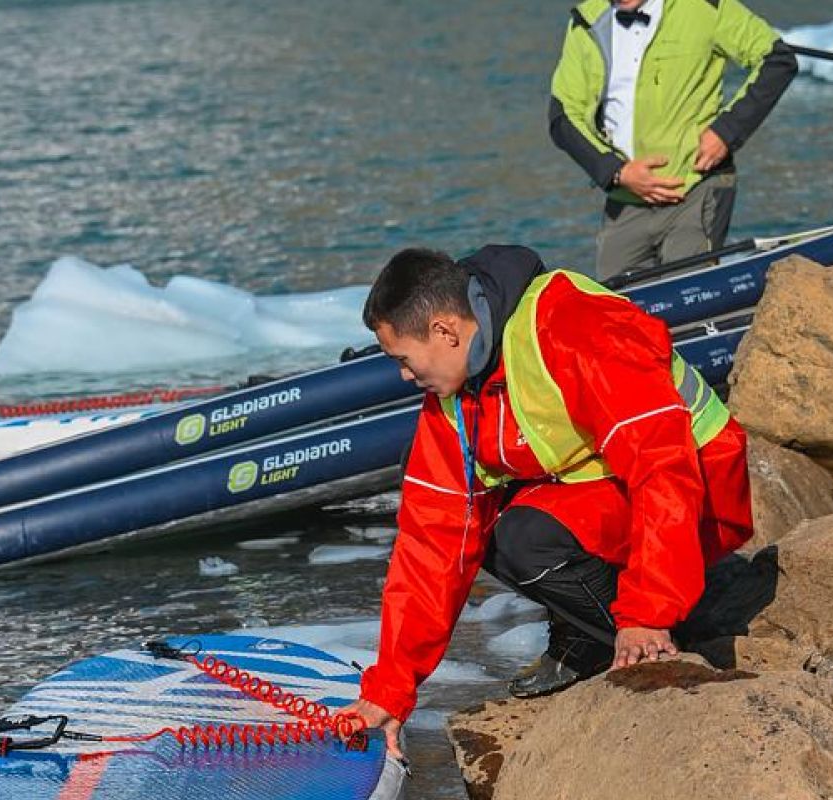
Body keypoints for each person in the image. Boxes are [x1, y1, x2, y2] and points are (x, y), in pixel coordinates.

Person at [341, 244, 753, 758]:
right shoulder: (452, 394)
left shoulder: (571, 323)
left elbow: (662, 469)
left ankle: (651, 638)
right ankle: (596, 633)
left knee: (525, 538)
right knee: (484, 526)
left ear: (446, 332)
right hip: (608, 491)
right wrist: (390, 692)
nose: (403, 375)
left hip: (704, 487)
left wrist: (646, 613)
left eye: (402, 358)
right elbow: (431, 542)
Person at [549, 0, 797, 282]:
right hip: (624, 197)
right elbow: (563, 115)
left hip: (695, 186)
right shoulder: (586, 20)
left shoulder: (706, 7)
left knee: (691, 294)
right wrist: (617, 171)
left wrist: (727, 132)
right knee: (619, 309)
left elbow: (777, 60)